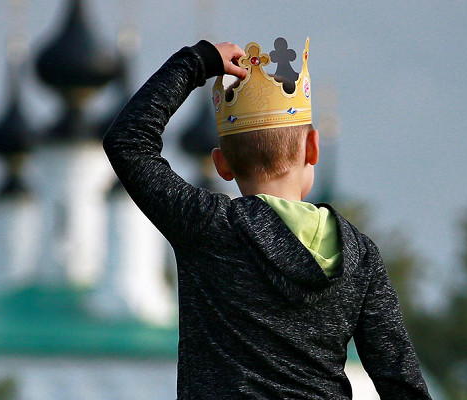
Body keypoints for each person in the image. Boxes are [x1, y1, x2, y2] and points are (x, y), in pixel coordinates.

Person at [103, 38, 431, 399]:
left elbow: (127, 142)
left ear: (221, 164)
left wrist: (198, 61)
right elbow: (400, 381)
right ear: (313, 147)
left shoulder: (208, 226)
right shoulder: (360, 255)